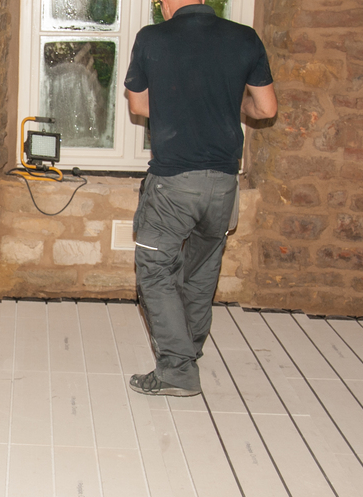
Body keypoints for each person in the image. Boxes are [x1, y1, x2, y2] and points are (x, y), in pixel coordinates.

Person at [123, 0, 277, 397]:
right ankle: (188, 350)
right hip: (223, 183)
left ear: (166, 2)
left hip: (173, 182)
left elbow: (139, 104)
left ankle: (177, 371)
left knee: (155, 270)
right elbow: (266, 107)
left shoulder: (152, 38)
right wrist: (230, 104)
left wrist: (179, 107)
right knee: (201, 271)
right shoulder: (245, 38)